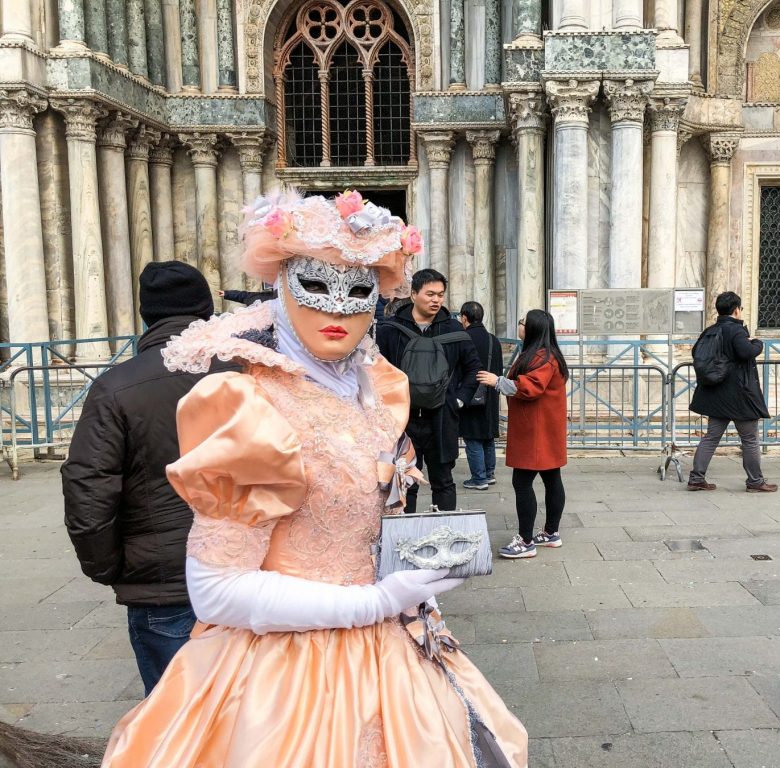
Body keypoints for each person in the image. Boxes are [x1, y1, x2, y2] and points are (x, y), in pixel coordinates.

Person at [100, 189, 527, 766]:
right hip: (285, 677)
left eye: (358, 293)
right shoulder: (246, 404)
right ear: (281, 287)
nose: (338, 310)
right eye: (316, 286)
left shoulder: (375, 390)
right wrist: (372, 602)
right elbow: (216, 590)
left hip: (392, 649)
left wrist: (407, 576)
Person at [62, 261, 235, 695]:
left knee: (173, 725)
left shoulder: (115, 386)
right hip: (250, 573)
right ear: (207, 309)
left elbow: (89, 489)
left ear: (146, 316)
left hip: (163, 583)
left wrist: (111, 567)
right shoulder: (250, 371)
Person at [376, 269, 481, 513]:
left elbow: (473, 368)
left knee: (443, 481)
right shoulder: (392, 329)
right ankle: (405, 536)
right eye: (430, 294)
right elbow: (378, 370)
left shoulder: (454, 329)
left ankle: (445, 534)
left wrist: (460, 401)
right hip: (405, 420)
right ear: (413, 294)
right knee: (405, 480)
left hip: (442, 418)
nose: (436, 300)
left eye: (441, 295)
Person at [477, 310, 568, 559]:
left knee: (522, 482)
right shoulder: (546, 354)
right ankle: (550, 533)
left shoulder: (543, 357)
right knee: (551, 479)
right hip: (544, 430)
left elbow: (529, 387)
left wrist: (497, 381)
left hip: (536, 432)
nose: (520, 326)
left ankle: (526, 541)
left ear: (532, 329)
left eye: (522, 323)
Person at [687, 291, 777, 493]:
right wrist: (757, 342)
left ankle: (696, 478)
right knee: (750, 438)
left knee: (711, 437)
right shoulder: (736, 331)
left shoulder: (710, 331)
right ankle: (755, 482)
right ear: (736, 310)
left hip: (716, 395)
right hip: (739, 395)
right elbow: (746, 352)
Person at [458, 301, 504, 490]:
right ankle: (489, 473)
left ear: (464, 318)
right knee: (487, 435)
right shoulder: (494, 339)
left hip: (470, 394)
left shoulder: (463, 338)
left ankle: (479, 478)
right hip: (491, 393)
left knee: (472, 436)